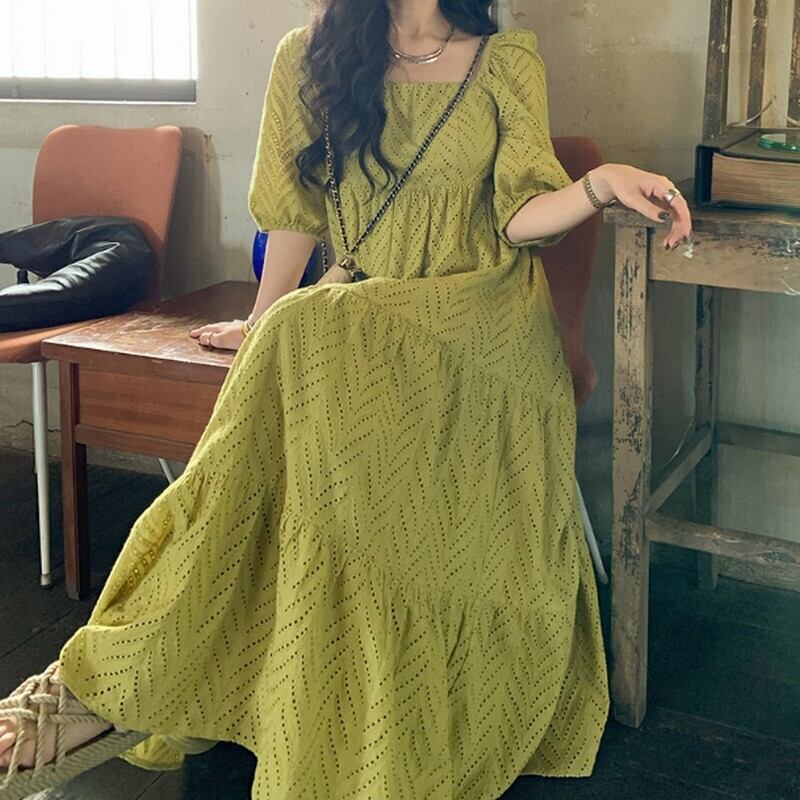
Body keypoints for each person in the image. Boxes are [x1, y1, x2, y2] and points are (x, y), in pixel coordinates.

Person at [0, 1, 692, 798]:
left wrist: (599, 185)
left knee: (307, 333)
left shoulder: (506, 60)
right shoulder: (310, 56)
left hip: (485, 322)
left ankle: (113, 686)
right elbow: (295, 215)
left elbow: (518, 218)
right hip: (365, 313)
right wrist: (259, 322)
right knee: (293, 338)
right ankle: (123, 675)